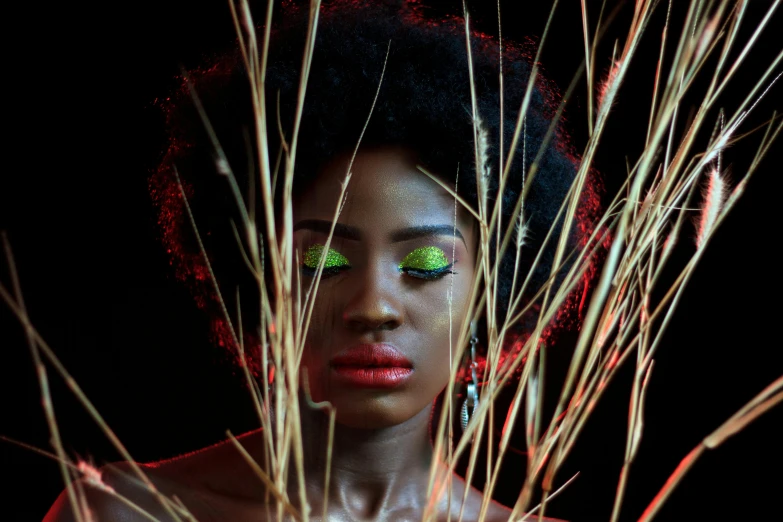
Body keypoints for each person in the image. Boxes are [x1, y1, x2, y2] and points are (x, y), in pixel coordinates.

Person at [44, 1, 600, 520]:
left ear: (493, 286)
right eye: (323, 259)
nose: (373, 307)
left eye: (428, 263)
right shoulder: (122, 511)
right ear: (257, 274)